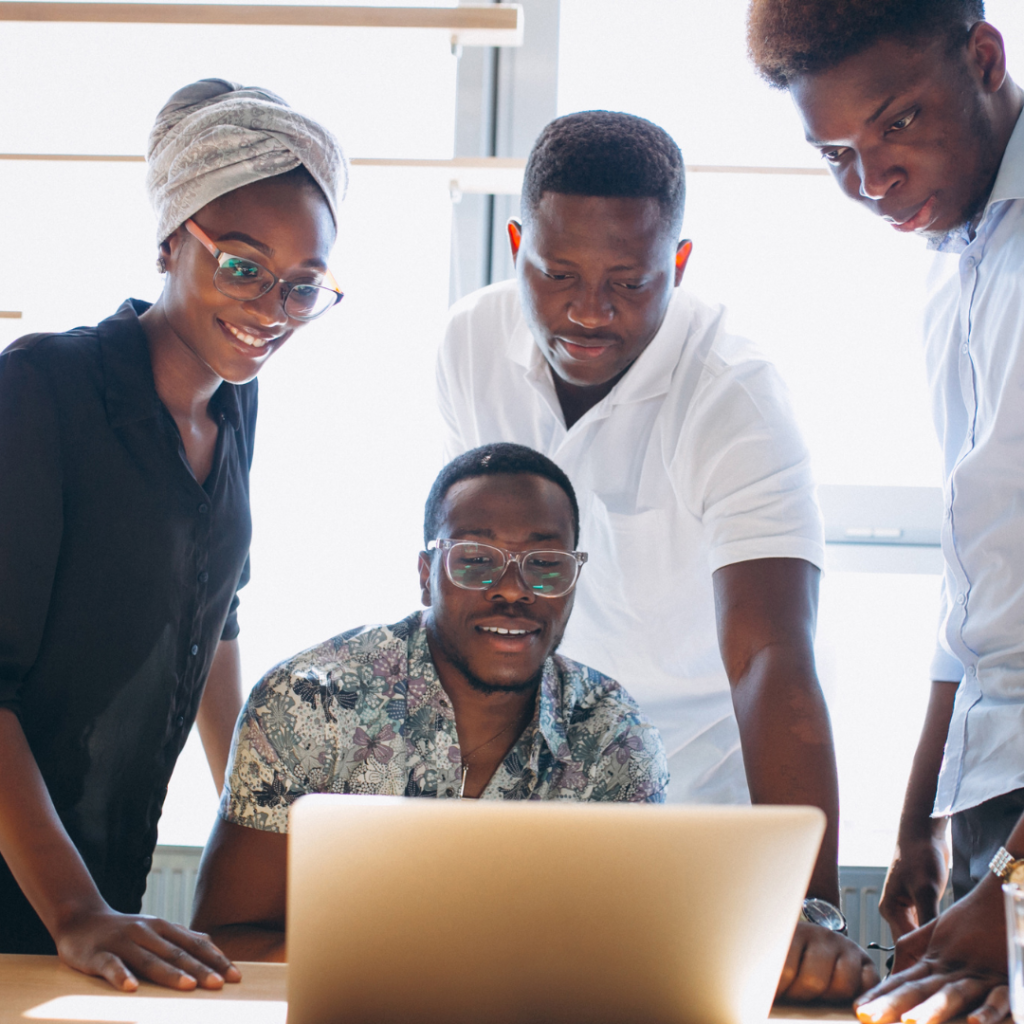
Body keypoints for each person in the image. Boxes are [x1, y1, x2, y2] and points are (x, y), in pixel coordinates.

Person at [434, 109, 861, 985]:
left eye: (631, 283)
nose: (590, 312)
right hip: (528, 808)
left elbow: (771, 657)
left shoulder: (734, 395)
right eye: (557, 274)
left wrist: (809, 908)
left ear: (680, 264)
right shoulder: (469, 344)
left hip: (697, 808)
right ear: (515, 243)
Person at [0, 79, 345, 992]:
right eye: (241, 264)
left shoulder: (236, 406)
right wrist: (73, 908)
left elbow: (213, 623)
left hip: (97, 881)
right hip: (41, 884)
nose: (271, 307)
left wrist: (270, 834)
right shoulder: (44, 389)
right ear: (169, 241)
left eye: (302, 287)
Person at [746, 2, 1024, 1022]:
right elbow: (979, 592)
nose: (870, 182)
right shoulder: (956, 272)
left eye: (896, 123)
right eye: (835, 156)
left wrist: (1014, 893)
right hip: (995, 804)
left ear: (984, 59)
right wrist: (919, 821)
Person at [189, 443, 669, 960]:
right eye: (477, 561)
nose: (512, 590)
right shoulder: (310, 702)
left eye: (545, 564)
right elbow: (226, 942)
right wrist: (419, 967)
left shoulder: (613, 735)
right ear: (426, 575)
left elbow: (630, 959)